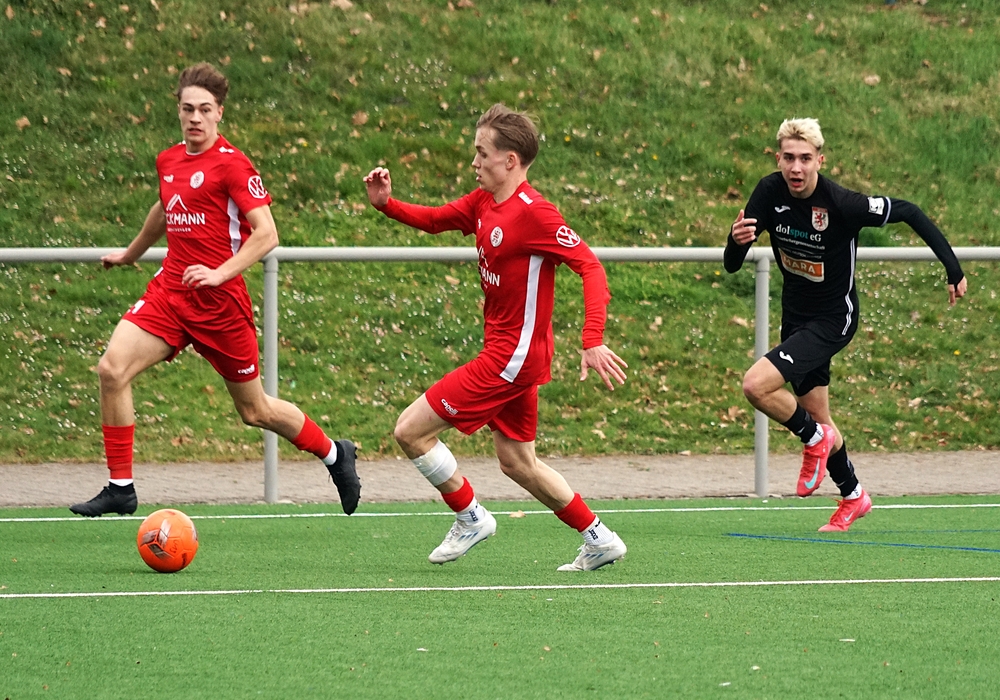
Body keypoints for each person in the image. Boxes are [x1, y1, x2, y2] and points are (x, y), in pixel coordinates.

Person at [70, 63, 361, 517]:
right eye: (188, 108)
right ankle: (120, 487)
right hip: (170, 294)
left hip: (220, 305)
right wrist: (130, 253)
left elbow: (267, 234)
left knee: (255, 411)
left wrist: (220, 273)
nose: (195, 117)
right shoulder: (168, 160)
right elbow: (165, 208)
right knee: (111, 369)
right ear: (178, 110)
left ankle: (334, 453)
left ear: (219, 113)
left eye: (205, 109)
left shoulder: (233, 165)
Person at [363, 104, 629, 571]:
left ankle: (470, 516)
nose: (474, 162)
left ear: (510, 160)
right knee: (518, 462)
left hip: (511, 358)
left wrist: (592, 337)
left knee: (410, 431)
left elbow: (590, 266)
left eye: (481, 153)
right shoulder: (484, 202)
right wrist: (387, 204)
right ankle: (599, 537)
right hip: (515, 357)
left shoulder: (536, 214)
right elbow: (436, 219)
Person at [725, 117, 966, 532]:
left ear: (819, 160)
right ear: (778, 158)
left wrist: (953, 267)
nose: (796, 167)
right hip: (796, 318)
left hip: (834, 318)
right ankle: (853, 495)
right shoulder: (768, 191)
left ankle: (813, 438)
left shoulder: (841, 203)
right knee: (818, 415)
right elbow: (732, 264)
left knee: (756, 385)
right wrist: (735, 240)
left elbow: (909, 211)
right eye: (788, 158)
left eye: (805, 158)